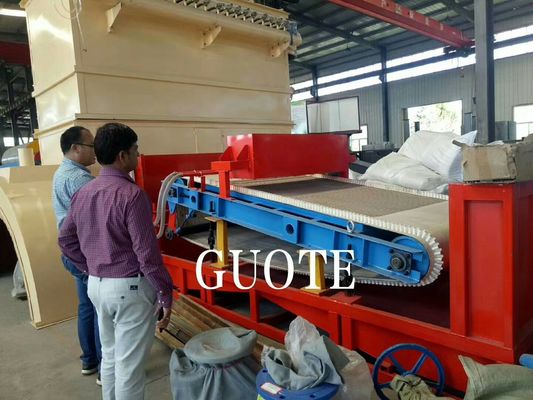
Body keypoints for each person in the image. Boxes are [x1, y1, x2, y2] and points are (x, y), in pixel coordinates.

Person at [58, 122, 173, 400]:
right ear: (123, 155)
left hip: (97, 286)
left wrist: (89, 266)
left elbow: (65, 240)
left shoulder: (84, 193)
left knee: (109, 358)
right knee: (129, 369)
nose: (138, 155)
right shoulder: (132, 195)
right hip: (129, 290)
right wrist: (165, 292)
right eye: (135, 150)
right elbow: (147, 255)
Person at [52, 126, 101, 384]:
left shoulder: (61, 173)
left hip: (73, 255)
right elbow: (100, 221)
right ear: (75, 148)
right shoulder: (81, 181)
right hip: (87, 256)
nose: (95, 151)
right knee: (100, 311)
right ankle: (105, 368)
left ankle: (89, 361)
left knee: (86, 308)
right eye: (91, 146)